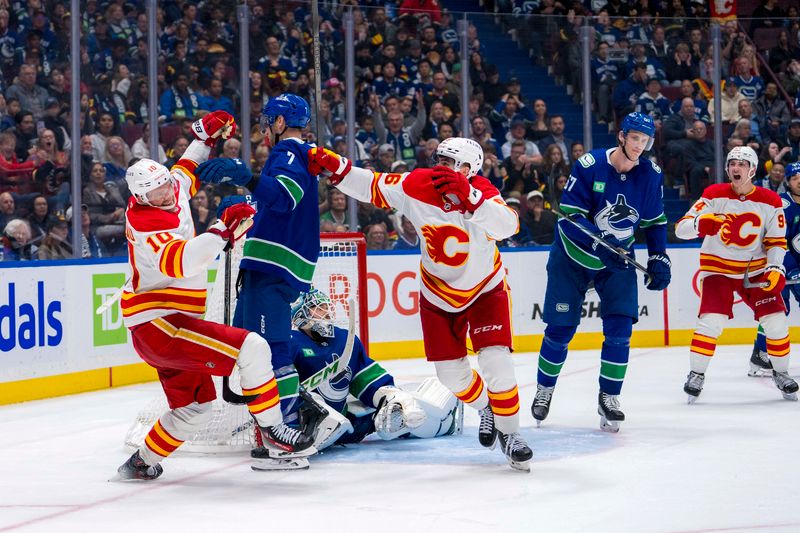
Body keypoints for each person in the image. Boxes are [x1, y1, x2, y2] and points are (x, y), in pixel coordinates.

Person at [307, 137, 533, 471]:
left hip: (485, 290)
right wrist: (337, 169)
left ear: (470, 170)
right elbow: (372, 184)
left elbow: (508, 225)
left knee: (497, 363)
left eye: (451, 162)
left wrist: (469, 198)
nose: (441, 166)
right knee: (451, 376)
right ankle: (487, 408)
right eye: (439, 158)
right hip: (437, 294)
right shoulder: (417, 184)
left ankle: (511, 435)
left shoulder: (483, 191)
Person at [116, 110, 315, 481]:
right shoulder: (146, 223)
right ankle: (274, 431)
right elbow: (183, 262)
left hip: (164, 327)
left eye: (165, 184)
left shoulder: (167, 189)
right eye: (157, 191)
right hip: (160, 325)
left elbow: (187, 168)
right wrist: (223, 228)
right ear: (140, 196)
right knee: (253, 348)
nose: (167, 192)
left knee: (195, 409)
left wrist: (206, 137)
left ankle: (140, 463)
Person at [531, 112, 671, 433]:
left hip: (617, 258)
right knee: (560, 330)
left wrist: (659, 257)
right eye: (634, 138)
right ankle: (545, 389)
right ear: (622, 136)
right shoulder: (589, 165)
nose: (639, 145)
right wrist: (599, 246)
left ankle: (609, 397)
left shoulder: (651, 174)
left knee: (620, 330)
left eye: (645, 140)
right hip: (572, 257)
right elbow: (569, 218)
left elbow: (654, 221)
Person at [194, 94, 321, 431]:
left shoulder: (289, 151)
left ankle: (286, 427)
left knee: (271, 349)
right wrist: (250, 199)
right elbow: (280, 200)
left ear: (281, 123)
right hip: (268, 267)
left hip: (273, 266)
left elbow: (284, 196)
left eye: (269, 120)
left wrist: (246, 177)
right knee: (248, 345)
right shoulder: (297, 155)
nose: (265, 127)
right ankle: (270, 419)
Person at [676, 148, 799, 403]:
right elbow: (681, 228)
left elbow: (776, 242)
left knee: (775, 320)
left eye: (742, 164)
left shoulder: (770, 200)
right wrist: (700, 224)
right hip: (718, 269)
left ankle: (781, 372)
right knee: (711, 321)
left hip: (754, 269)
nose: (735, 167)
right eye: (732, 163)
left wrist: (776, 267)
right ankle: (696, 374)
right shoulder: (713, 194)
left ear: (752, 170)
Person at [288, 289, 462, 450]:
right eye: (319, 308)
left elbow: (365, 377)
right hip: (303, 428)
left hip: (346, 426)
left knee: (392, 419)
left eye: (327, 307)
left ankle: (445, 423)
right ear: (301, 313)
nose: (326, 313)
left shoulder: (343, 339)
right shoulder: (290, 342)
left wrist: (390, 396)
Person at [749, 162, 800, 377]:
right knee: (777, 311)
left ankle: (759, 353)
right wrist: (790, 268)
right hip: (778, 267)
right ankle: (760, 352)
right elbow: (776, 241)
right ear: (788, 181)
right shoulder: (782, 205)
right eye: (796, 177)